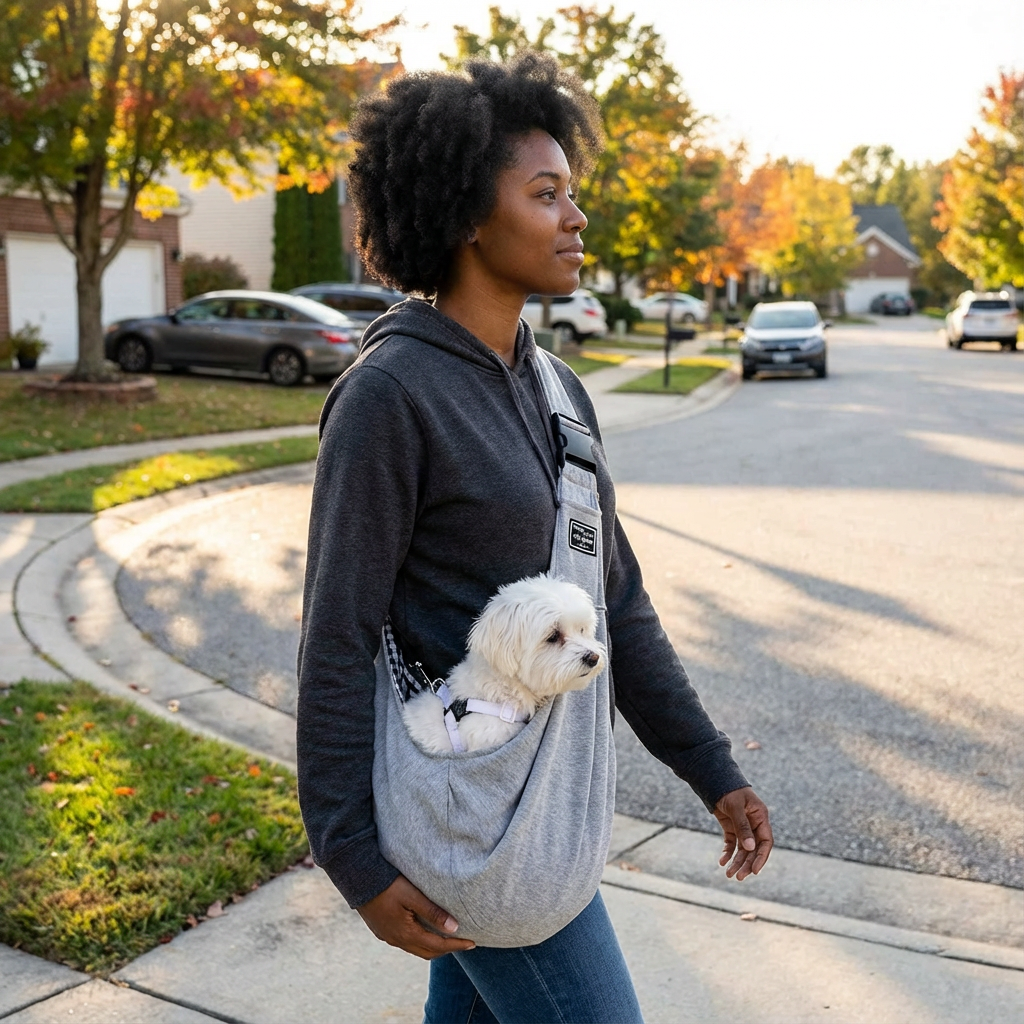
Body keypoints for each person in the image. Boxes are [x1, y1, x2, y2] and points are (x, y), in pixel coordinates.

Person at [296, 52, 773, 1024]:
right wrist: (350, 855)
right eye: (545, 192)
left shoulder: (559, 391)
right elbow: (335, 637)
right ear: (470, 213)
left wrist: (712, 771)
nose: (575, 216)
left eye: (571, 192)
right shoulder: (390, 397)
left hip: (538, 814)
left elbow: (617, 606)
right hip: (472, 834)